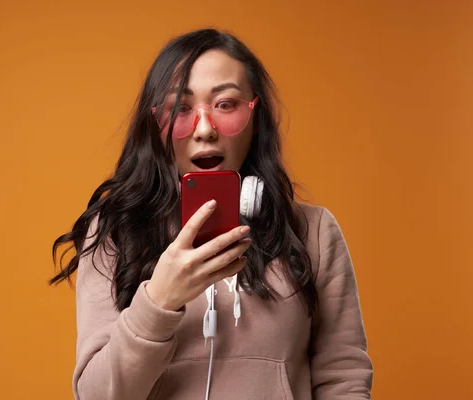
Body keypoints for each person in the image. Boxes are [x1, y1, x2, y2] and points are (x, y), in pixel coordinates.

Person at [51, 28, 373, 400]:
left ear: (255, 115)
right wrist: (158, 300)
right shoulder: (113, 234)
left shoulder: (313, 231)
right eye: (181, 109)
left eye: (225, 105)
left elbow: (343, 380)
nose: (205, 129)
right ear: (155, 125)